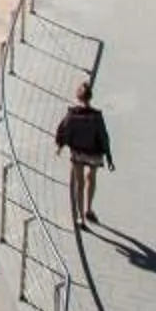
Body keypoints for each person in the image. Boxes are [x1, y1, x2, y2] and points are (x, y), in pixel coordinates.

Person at [54, 79, 114, 226]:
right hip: (94, 153)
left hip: (78, 152)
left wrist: (60, 145)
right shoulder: (96, 116)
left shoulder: (72, 114)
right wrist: (109, 157)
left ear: (77, 97)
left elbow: (64, 130)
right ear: (90, 97)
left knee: (79, 183)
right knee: (91, 178)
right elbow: (103, 136)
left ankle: (80, 217)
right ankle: (89, 209)